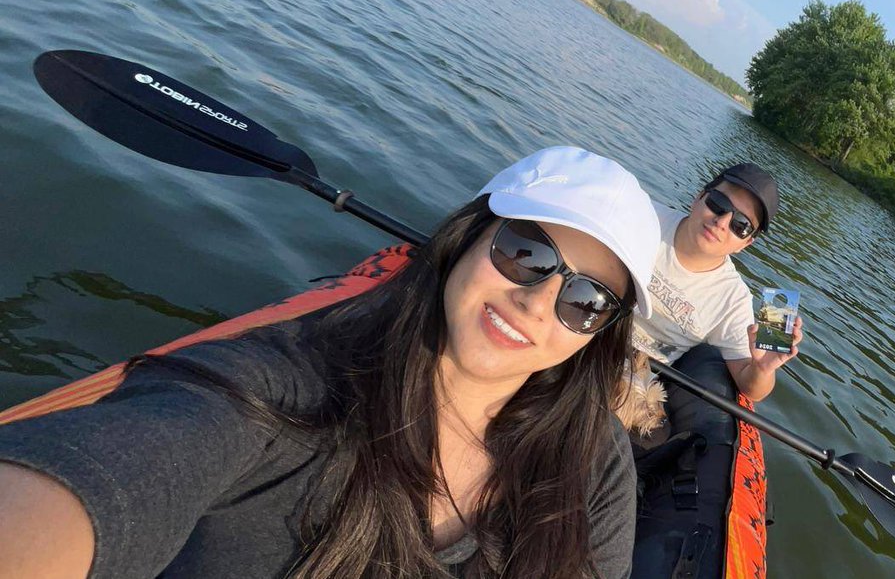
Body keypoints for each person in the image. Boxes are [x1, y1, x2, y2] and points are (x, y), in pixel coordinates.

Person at [0, 145, 660, 579]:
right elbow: (98, 482)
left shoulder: (594, 460)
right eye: (527, 252)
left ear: (597, 333)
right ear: (467, 236)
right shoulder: (279, 397)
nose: (538, 301)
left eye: (586, 299)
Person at [631, 163, 802, 403]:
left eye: (740, 225)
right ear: (699, 197)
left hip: (634, 384)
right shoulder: (642, 216)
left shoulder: (734, 300)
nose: (722, 222)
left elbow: (752, 388)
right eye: (719, 204)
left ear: (746, 244)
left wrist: (762, 369)